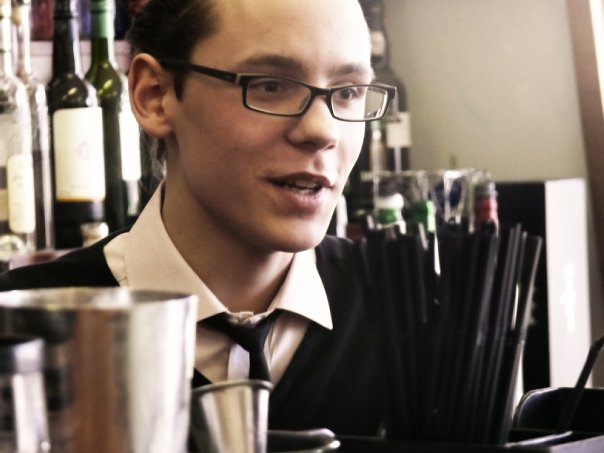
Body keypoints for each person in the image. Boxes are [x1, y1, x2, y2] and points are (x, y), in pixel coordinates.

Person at [0, 0, 399, 438]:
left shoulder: (411, 315)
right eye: (270, 85)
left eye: (348, 92)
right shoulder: (19, 326)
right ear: (154, 96)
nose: (323, 131)